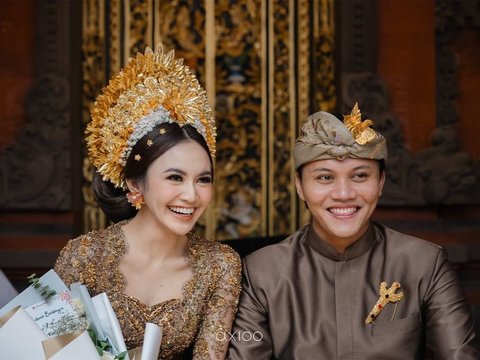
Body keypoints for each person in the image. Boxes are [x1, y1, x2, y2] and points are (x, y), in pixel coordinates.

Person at [227, 104, 480, 359]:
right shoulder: (261, 273)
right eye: (325, 178)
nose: (344, 194)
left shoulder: (424, 264)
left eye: (359, 175)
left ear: (380, 182)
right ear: (300, 186)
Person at [55, 44, 242, 360]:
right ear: (134, 183)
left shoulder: (220, 265)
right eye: (174, 178)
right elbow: (53, 347)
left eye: (203, 179)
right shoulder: (82, 257)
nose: (191, 195)